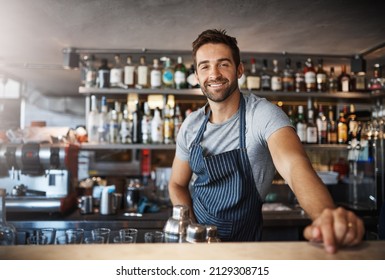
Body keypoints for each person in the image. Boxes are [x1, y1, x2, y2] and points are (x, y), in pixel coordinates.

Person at [168, 29, 364, 253]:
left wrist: (325, 215)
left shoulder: (262, 114)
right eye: (205, 66)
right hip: (197, 244)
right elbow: (177, 184)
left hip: (245, 247)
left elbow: (293, 165)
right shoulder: (191, 125)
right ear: (196, 75)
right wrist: (190, 225)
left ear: (239, 70)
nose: (214, 74)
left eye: (223, 64)